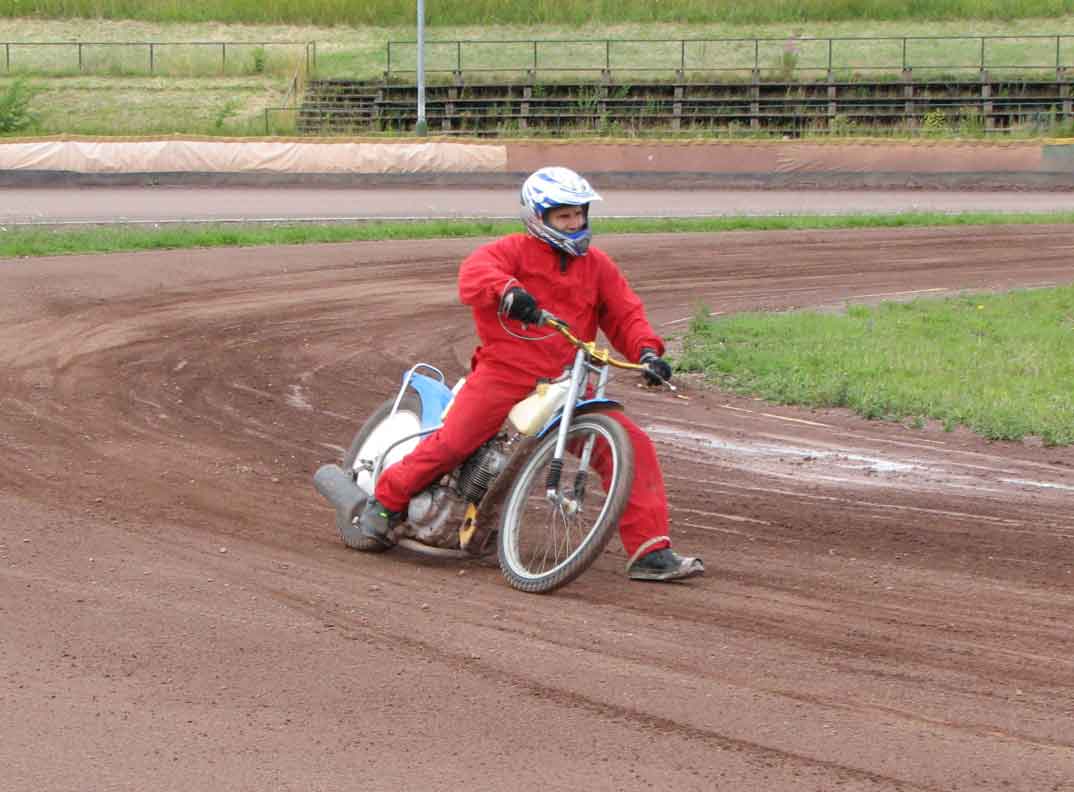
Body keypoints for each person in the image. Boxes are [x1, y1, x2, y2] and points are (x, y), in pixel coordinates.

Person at [359, 166, 704, 582]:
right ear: (538, 218)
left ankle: (651, 551)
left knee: (631, 446)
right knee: (454, 443)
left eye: (579, 214)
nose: (574, 223)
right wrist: (508, 292)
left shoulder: (597, 266)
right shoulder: (510, 252)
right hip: (503, 374)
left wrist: (647, 352)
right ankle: (386, 501)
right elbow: (474, 275)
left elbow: (625, 314)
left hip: (568, 384)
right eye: (564, 216)